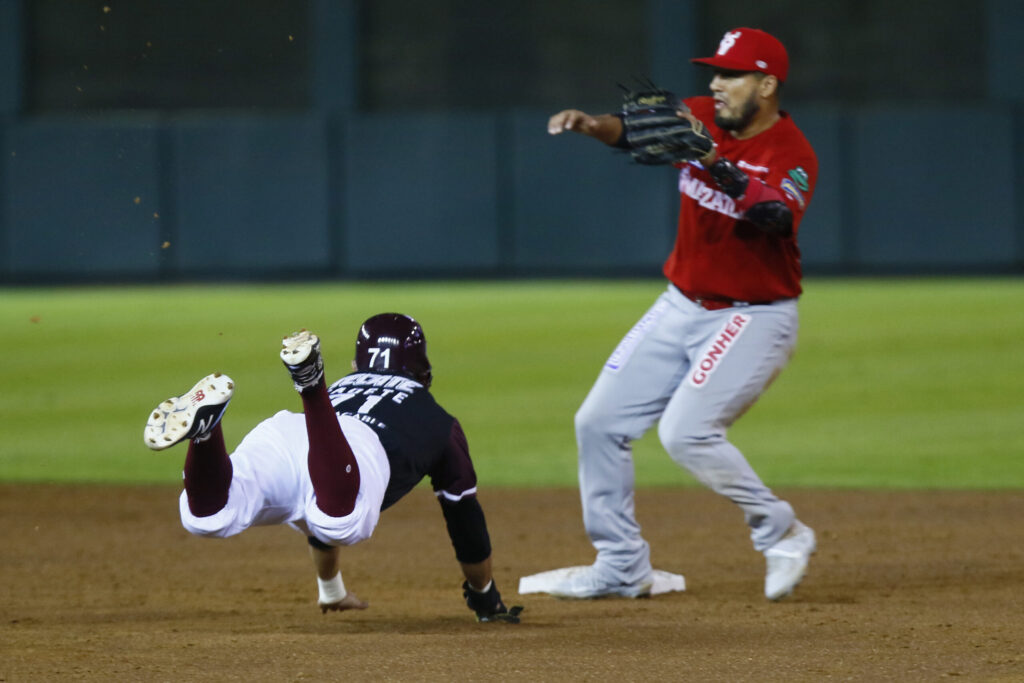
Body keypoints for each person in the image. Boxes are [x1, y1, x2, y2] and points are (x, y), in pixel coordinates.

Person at [541, 27, 818, 600]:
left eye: (730, 74)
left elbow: (776, 216)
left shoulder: (791, 154)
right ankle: (621, 566)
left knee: (687, 432)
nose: (714, 84)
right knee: (597, 424)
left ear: (766, 85)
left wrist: (715, 162)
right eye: (714, 72)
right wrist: (597, 127)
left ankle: (782, 529)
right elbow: (635, 129)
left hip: (754, 315)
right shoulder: (699, 116)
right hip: (680, 303)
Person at [143, 313, 522, 622]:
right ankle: (310, 384)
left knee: (212, 516)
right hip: (353, 449)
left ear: (357, 364)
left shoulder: (348, 384)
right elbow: (463, 516)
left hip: (287, 431)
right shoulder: (440, 421)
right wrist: (484, 597)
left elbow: (315, 523)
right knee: (341, 520)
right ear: (424, 372)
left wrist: (331, 590)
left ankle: (207, 435)